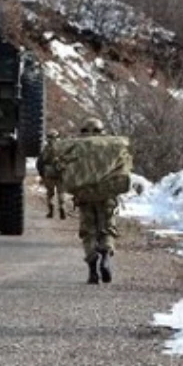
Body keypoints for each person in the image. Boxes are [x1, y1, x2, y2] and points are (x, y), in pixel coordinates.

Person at [74, 118, 122, 285]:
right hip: (106, 195)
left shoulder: (76, 147)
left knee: (88, 233)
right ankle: (106, 256)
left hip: (85, 196)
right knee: (108, 229)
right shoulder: (111, 146)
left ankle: (92, 271)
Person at [37, 129, 67, 220]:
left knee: (50, 193)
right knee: (61, 192)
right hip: (61, 173)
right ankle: (62, 208)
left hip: (49, 173)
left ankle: (51, 211)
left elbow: (40, 162)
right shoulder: (63, 147)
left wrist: (41, 174)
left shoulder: (46, 148)